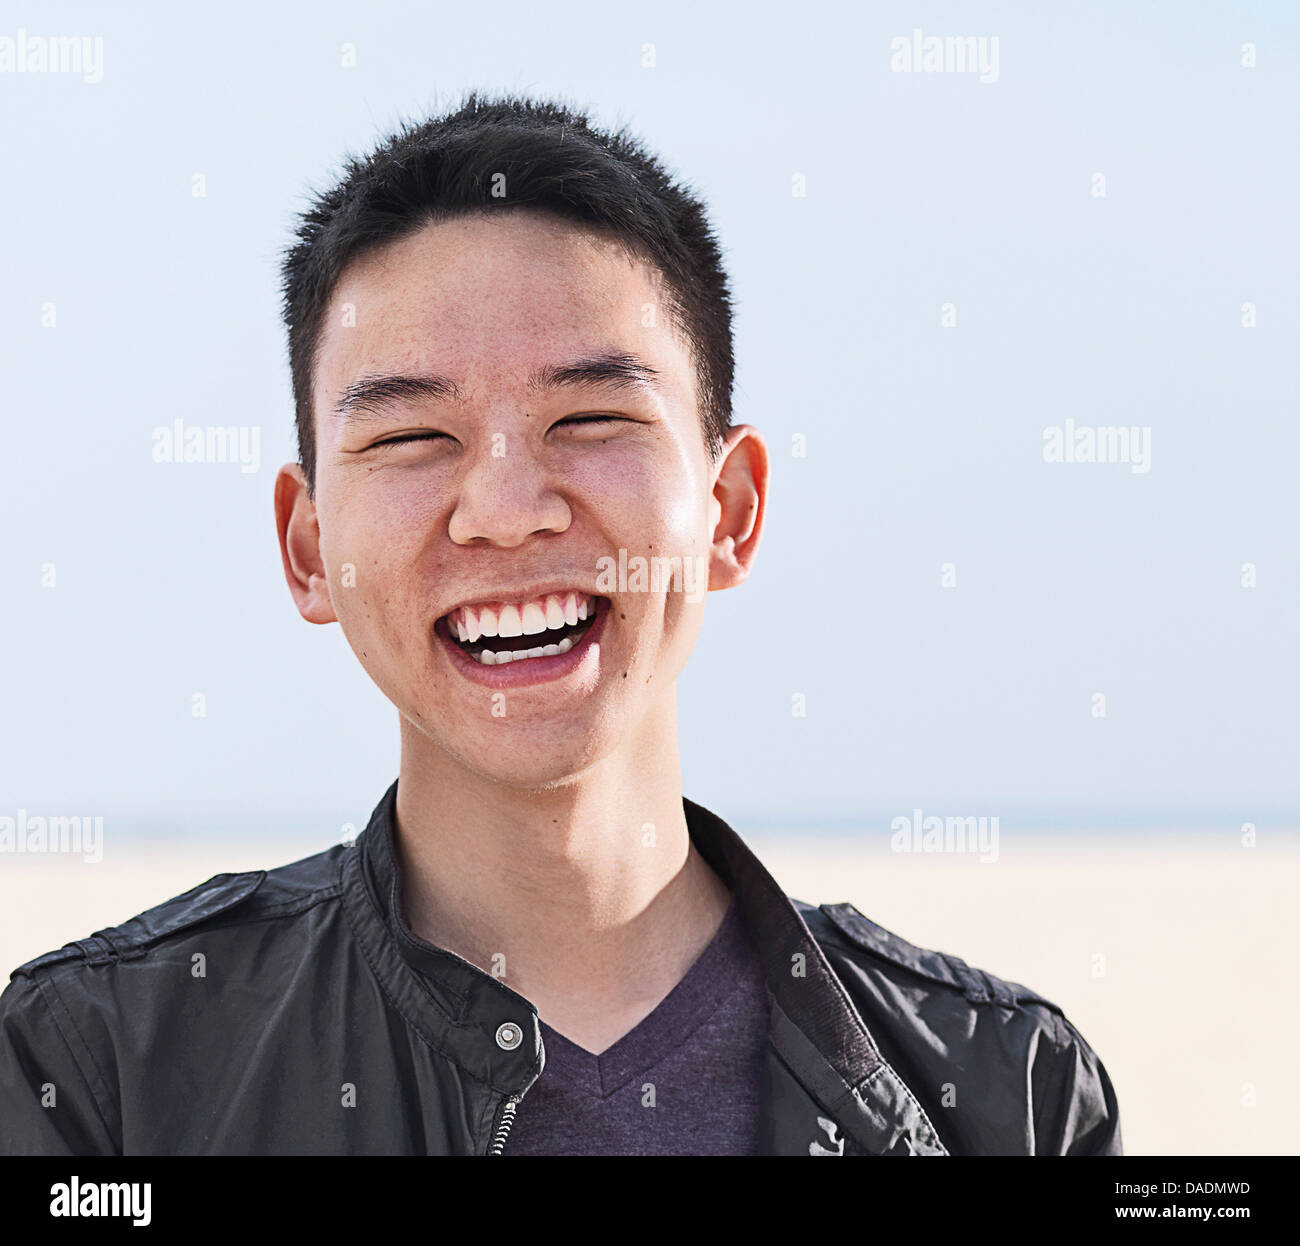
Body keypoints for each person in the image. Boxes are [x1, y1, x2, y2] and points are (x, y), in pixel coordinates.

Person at [0, 92, 1120, 1156]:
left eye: (590, 418)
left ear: (728, 511)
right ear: (307, 548)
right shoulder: (100, 1072)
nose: (504, 510)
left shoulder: (1005, 1093)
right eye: (409, 438)